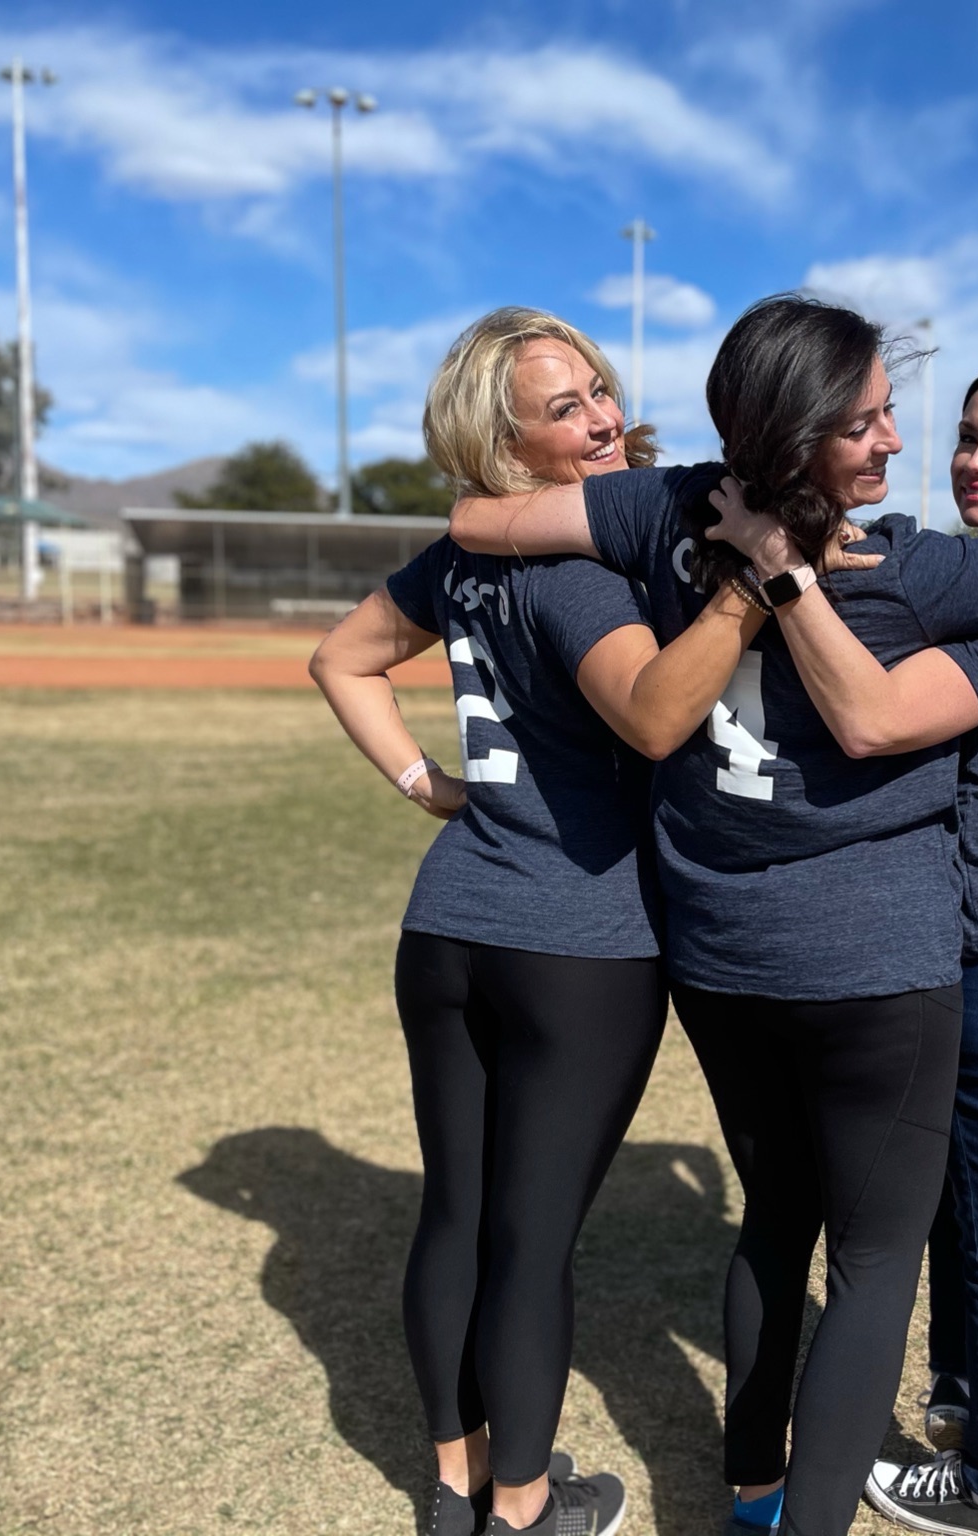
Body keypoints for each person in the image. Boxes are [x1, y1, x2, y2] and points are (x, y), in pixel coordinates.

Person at [444, 295, 978, 1536]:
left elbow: (470, 517)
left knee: (772, 1223)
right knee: (870, 1266)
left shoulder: (662, 505)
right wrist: (788, 559)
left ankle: (753, 1491)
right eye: (867, 423)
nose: (896, 447)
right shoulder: (922, 565)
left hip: (716, 950)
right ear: (802, 432)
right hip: (876, 956)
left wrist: (740, 526)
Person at [309, 307, 772, 1536]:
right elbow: (654, 716)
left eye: (602, 391)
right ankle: (522, 1509)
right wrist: (750, 595)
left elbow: (342, 660)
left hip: (448, 929)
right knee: (527, 1242)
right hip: (577, 947)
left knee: (459, 1214)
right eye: (564, 408)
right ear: (497, 439)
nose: (604, 417)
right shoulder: (569, 573)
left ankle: (456, 1489)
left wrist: (429, 790)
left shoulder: (456, 560)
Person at [703, 353, 978, 1536]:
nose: (973, 460)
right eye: (969, 437)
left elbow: (876, 717)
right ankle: (953, 1397)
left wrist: (782, 573)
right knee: (934, 1199)